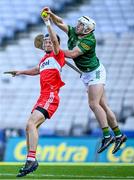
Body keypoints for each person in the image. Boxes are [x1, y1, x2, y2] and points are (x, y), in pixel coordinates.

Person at [42, 7, 127, 154]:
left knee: (93, 104)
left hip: (95, 73)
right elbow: (60, 23)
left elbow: (74, 53)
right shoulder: (76, 32)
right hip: (86, 74)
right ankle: (119, 135)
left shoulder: (89, 40)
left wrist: (57, 52)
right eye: (79, 23)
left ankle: (107, 136)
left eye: (81, 25)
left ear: (87, 30)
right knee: (104, 106)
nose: (78, 26)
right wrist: (51, 16)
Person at [4, 14, 66, 177]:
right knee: (28, 127)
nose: (46, 43)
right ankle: (29, 160)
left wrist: (47, 22)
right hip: (42, 97)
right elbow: (37, 70)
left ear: (55, 44)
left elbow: (54, 40)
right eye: (44, 42)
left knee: (31, 123)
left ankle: (32, 160)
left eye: (49, 41)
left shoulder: (58, 55)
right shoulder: (45, 59)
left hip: (51, 96)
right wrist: (20, 72)